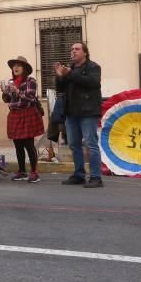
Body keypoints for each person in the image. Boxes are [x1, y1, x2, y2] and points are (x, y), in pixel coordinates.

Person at [55, 41, 103, 188]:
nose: (73, 51)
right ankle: (79, 174)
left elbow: (91, 82)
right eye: (72, 49)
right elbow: (61, 89)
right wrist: (59, 76)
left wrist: (69, 73)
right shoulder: (70, 69)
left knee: (91, 144)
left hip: (88, 112)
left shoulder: (93, 67)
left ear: (85, 53)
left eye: (77, 49)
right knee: (74, 145)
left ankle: (96, 177)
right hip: (71, 112)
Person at [1, 56, 44, 183]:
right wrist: (5, 92)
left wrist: (18, 91)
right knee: (18, 145)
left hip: (27, 114)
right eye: (14, 65)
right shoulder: (11, 82)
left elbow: (30, 98)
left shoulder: (31, 81)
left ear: (24, 68)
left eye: (19, 65)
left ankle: (34, 172)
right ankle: (22, 171)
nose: (15, 67)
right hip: (15, 114)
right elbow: (8, 100)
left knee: (29, 145)